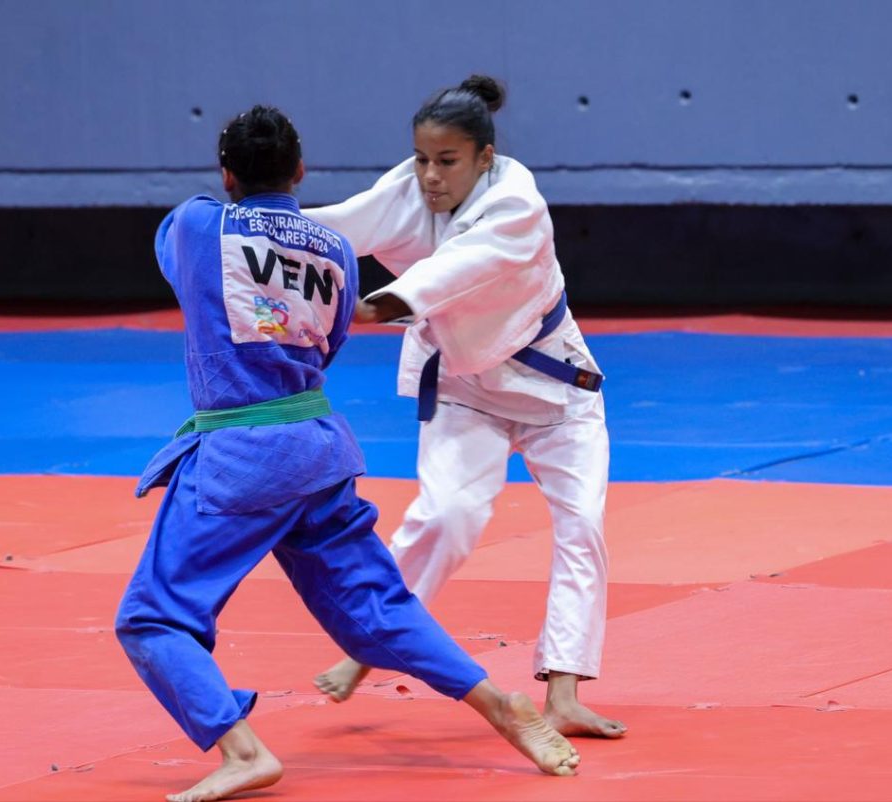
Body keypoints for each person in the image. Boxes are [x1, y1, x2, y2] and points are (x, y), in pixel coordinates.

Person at [114, 104, 580, 802]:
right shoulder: (335, 252)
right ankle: (498, 704)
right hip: (317, 448)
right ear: (301, 171)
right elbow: (328, 343)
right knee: (373, 605)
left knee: (154, 617)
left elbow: (180, 265)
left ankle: (242, 750)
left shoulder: (198, 225)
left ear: (227, 174)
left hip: (241, 457)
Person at [305, 76, 627, 739]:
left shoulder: (518, 205)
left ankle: (564, 693)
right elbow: (337, 225)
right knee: (445, 517)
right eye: (422, 158)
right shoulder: (408, 190)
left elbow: (449, 272)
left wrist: (366, 309)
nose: (430, 175)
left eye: (447, 161)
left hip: (555, 388)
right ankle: (367, 644)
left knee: (582, 526)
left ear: (484, 157)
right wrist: (249, 232)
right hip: (462, 386)